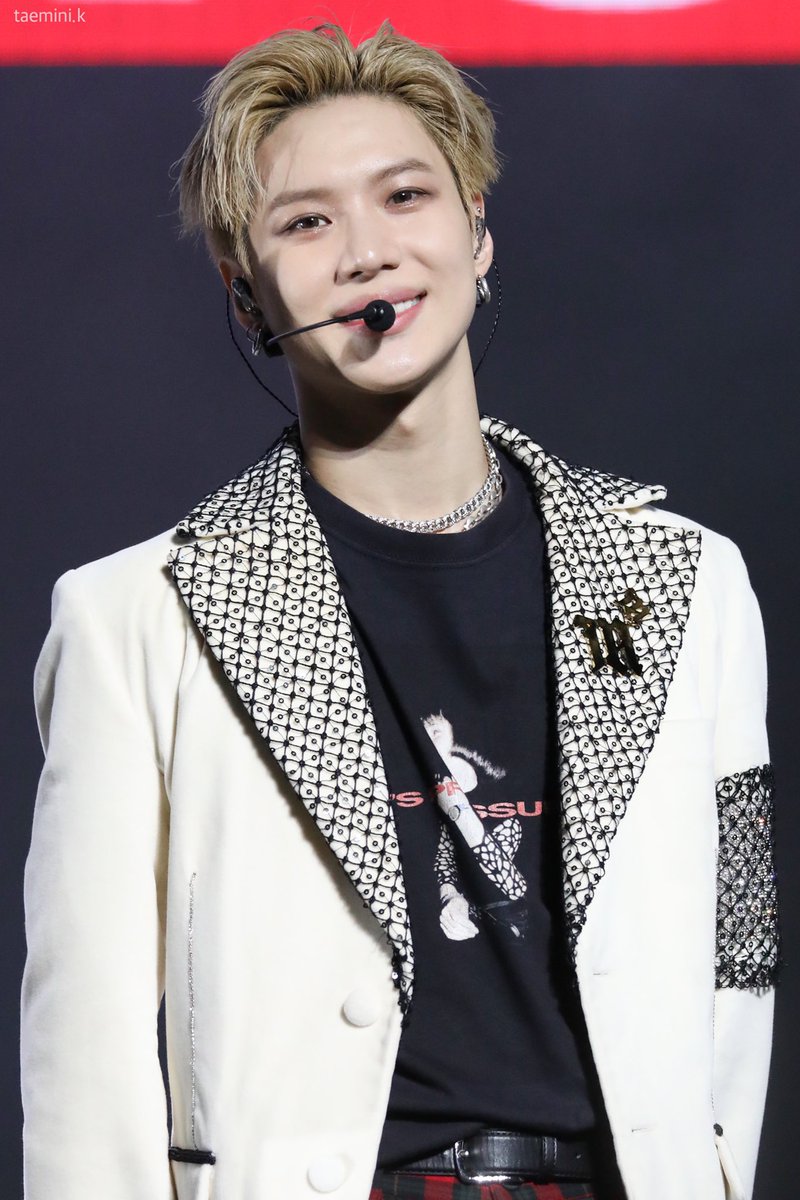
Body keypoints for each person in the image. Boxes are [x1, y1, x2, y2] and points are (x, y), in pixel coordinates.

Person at [20, 21, 781, 1200]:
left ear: (476, 230)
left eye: (404, 196)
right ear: (244, 289)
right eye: (305, 222)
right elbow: (86, 1044)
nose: (366, 253)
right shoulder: (135, 618)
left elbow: (738, 945)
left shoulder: (687, 579)